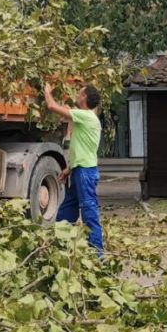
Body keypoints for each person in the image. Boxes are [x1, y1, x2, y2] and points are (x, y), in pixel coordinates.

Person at [43, 83, 104, 256]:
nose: (77, 95)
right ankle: (59, 245)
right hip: (80, 170)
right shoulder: (87, 118)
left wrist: (47, 91)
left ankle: (98, 255)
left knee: (89, 212)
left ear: (84, 98)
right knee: (67, 209)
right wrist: (69, 169)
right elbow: (82, 149)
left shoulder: (86, 116)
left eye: (79, 93)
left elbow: (52, 106)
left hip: (85, 173)